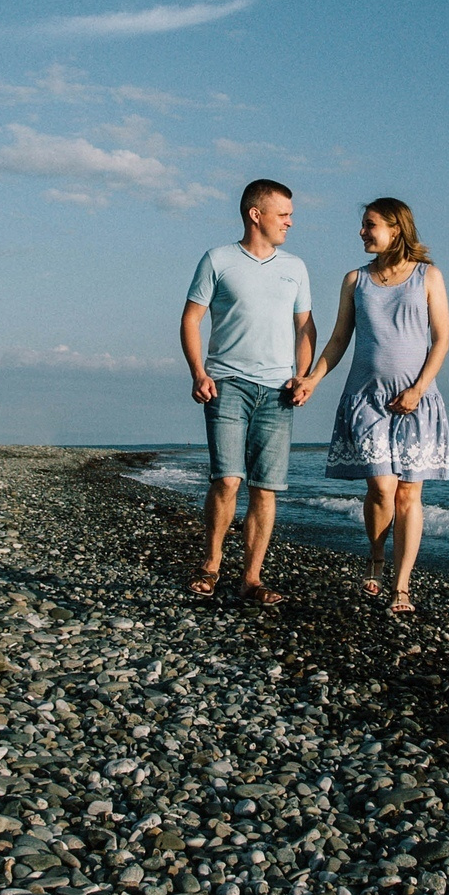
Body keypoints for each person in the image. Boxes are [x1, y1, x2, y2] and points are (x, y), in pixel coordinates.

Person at [291, 197, 449, 614]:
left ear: (396, 228)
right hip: (366, 398)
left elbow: (442, 340)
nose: (363, 232)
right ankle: (377, 557)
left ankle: (401, 586)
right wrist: (312, 379)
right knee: (381, 488)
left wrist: (419, 388)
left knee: (409, 494)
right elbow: (340, 338)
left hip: (417, 398)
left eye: (370, 225)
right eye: (363, 225)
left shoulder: (428, 276)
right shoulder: (355, 280)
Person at [181, 178, 315, 605]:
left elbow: (305, 326)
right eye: (284, 214)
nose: (290, 223)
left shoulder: (295, 267)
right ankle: (211, 565)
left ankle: (251, 579)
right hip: (227, 385)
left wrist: (304, 375)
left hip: (278, 391)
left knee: (265, 487)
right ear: (256, 215)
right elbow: (191, 320)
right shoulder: (218, 259)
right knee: (228, 480)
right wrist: (199, 372)